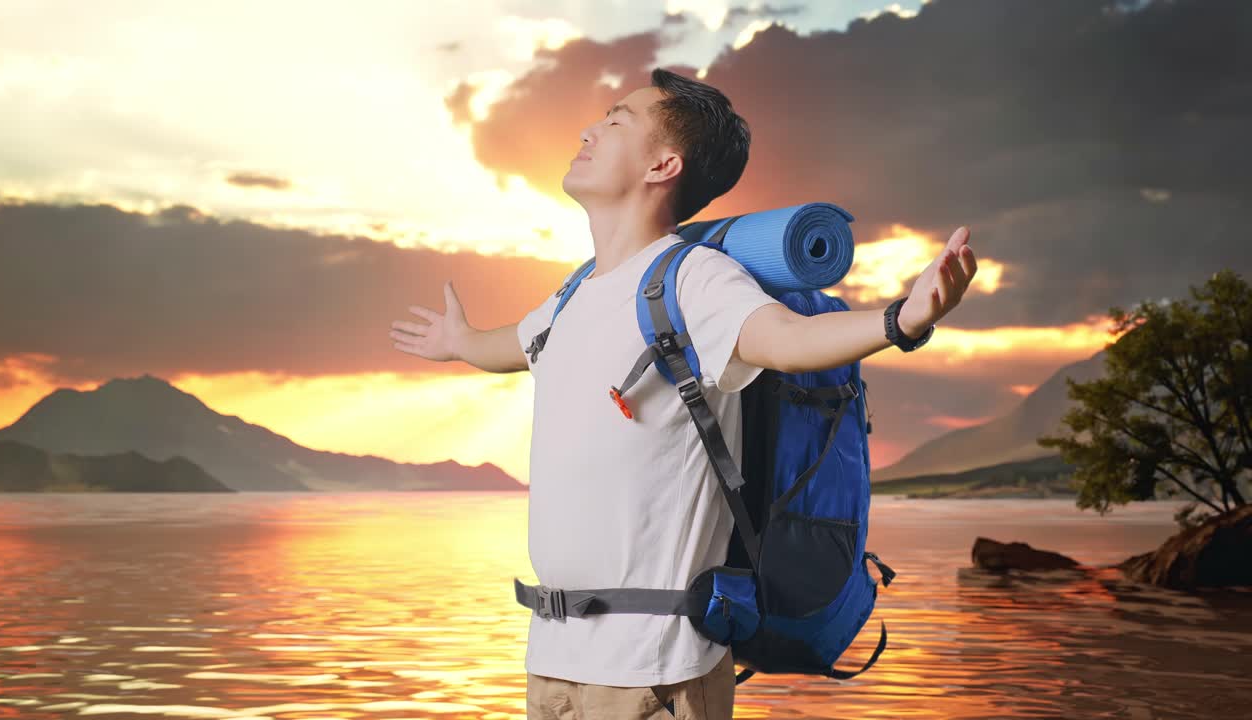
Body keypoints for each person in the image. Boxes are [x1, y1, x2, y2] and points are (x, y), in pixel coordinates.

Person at [391, 67, 976, 719]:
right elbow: (507, 347)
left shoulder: (693, 279)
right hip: (554, 663)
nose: (588, 129)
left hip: (654, 668)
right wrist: (458, 338)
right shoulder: (570, 297)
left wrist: (900, 320)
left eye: (615, 121)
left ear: (664, 163)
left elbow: (782, 338)